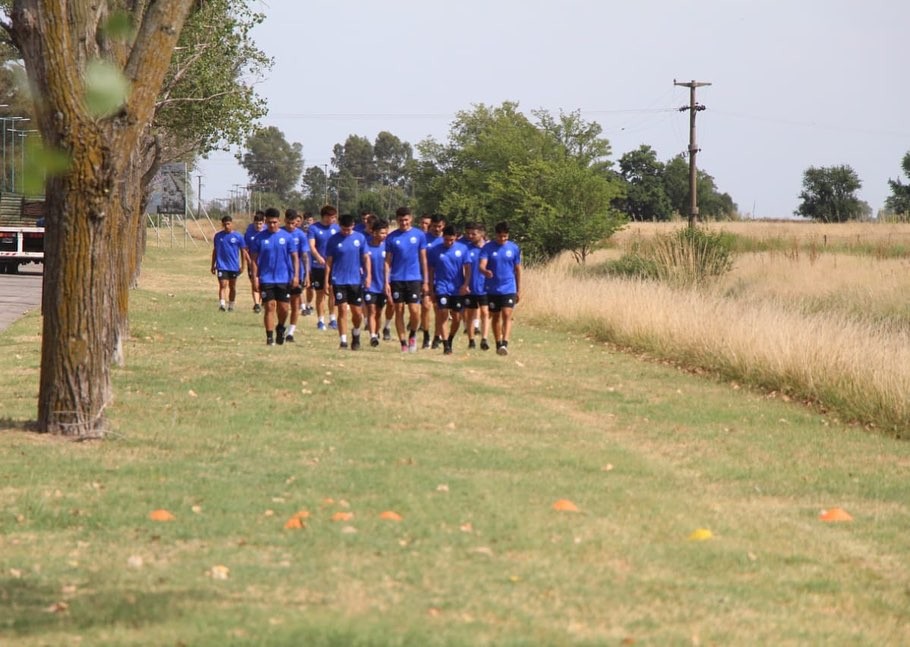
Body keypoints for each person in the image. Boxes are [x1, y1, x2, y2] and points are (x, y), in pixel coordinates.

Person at [249, 207, 300, 346]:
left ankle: (281, 327)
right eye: (269, 222)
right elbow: (253, 259)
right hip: (266, 278)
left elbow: (295, 257)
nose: (272, 225)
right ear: (265, 221)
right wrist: (255, 277)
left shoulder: (287, 237)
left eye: (275, 222)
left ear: (279, 221)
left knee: (283, 308)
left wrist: (296, 276)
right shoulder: (259, 238)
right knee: (270, 306)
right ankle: (269, 337)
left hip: (284, 278)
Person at [385, 206, 429, 353]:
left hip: (414, 279)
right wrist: (386, 282)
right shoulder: (391, 237)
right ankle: (403, 343)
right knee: (399, 310)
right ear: (397, 220)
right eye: (400, 220)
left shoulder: (419, 235)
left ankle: (413, 335)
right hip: (397, 279)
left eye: (406, 220)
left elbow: (423, 259)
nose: (403, 223)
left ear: (411, 219)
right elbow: (387, 261)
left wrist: (426, 281)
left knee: (415, 310)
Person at [325, 213, 370, 350]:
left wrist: (368, 276)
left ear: (353, 226)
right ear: (340, 227)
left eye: (349, 229)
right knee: (342, 310)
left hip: (355, 280)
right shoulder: (333, 240)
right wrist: (327, 280)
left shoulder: (360, 238)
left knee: (357, 313)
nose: (346, 232)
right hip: (339, 280)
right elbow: (329, 262)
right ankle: (343, 341)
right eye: (344, 229)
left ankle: (356, 333)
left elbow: (366, 258)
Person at [479, 221, 521, 356]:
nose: (502, 239)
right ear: (495, 234)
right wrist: (485, 271)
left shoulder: (514, 248)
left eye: (505, 236)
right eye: (500, 236)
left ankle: (505, 343)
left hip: (509, 287)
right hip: (492, 288)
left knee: (507, 314)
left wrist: (519, 289)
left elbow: (517, 269)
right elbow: (481, 265)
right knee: (496, 316)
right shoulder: (487, 248)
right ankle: (498, 343)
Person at [427, 225, 468, 355]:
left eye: (451, 240)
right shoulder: (435, 250)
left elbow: (468, 269)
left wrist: (465, 285)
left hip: (457, 288)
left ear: (455, 238)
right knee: (443, 313)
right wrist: (431, 288)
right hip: (441, 286)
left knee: (456, 318)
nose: (449, 243)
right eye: (446, 240)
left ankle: (450, 339)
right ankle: (445, 345)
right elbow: (431, 270)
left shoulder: (462, 249)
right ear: (443, 237)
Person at [307, 205, 340, 330]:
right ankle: (320, 320)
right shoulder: (313, 228)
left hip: (334, 266)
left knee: (332, 291)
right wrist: (318, 257)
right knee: (320, 293)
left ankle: (332, 318)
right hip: (318, 266)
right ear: (325, 216)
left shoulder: (336, 228)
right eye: (332, 217)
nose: (334, 219)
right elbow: (311, 246)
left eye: (334, 217)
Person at [462, 222, 491, 350]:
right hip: (470, 286)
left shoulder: (488, 248)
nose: (471, 236)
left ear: (482, 234)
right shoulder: (466, 249)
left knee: (485, 312)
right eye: (469, 233)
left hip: (485, 287)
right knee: (469, 313)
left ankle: (484, 339)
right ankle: (471, 340)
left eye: (474, 234)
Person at [211, 215, 249, 312]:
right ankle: (222, 305)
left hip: (233, 266)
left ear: (231, 224)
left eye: (228, 224)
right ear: (222, 225)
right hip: (221, 265)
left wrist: (243, 266)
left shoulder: (238, 236)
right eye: (225, 224)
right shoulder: (218, 236)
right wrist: (213, 265)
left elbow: (243, 251)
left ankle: (231, 305)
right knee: (223, 284)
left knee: (232, 286)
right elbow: (215, 250)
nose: (227, 226)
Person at [283, 209, 310, 342]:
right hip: (281, 275)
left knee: (294, 304)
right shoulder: (280, 233)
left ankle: (291, 332)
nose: (291, 226)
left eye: (293, 223)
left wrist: (306, 275)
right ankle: (281, 326)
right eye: (288, 223)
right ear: (284, 221)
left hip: (296, 275)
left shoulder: (300, 235)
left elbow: (304, 256)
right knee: (282, 305)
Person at [363, 218, 391, 347]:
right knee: (371, 309)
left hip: (383, 284)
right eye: (381, 233)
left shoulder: (388, 246)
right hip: (370, 284)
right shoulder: (365, 245)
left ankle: (377, 331)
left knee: (379, 311)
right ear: (374, 233)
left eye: (385, 233)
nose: (384, 236)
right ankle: (373, 336)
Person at [421, 213, 446, 348]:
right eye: (435, 226)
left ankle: (437, 337)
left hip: (441, 280)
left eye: (439, 226)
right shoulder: (423, 238)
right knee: (425, 307)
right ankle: (426, 335)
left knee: (440, 310)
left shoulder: (446, 240)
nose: (437, 229)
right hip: (424, 278)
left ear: (444, 226)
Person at [243, 211, 265, 313]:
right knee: (254, 282)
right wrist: (249, 261)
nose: (258, 226)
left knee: (263, 283)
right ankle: (256, 304)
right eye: (256, 223)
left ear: (264, 222)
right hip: (253, 262)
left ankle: (262, 301)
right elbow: (245, 249)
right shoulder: (249, 233)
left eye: (260, 223)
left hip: (264, 263)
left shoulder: (266, 232)